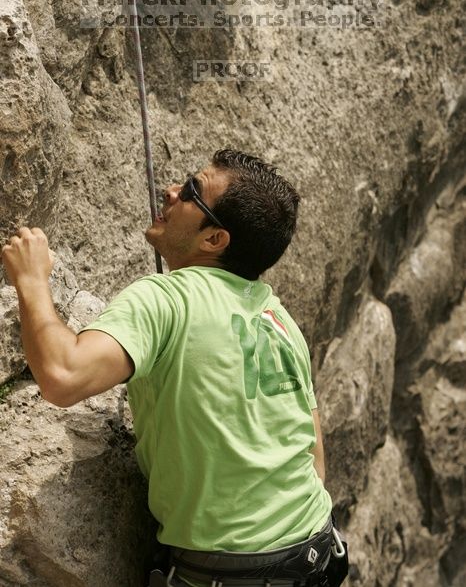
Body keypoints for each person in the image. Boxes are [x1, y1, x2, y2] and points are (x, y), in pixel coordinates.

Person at [1, 149, 348, 587]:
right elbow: (315, 465)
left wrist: (32, 280)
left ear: (214, 240)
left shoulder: (165, 298)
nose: (168, 191)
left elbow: (63, 376)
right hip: (317, 554)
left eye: (189, 192)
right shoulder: (279, 320)